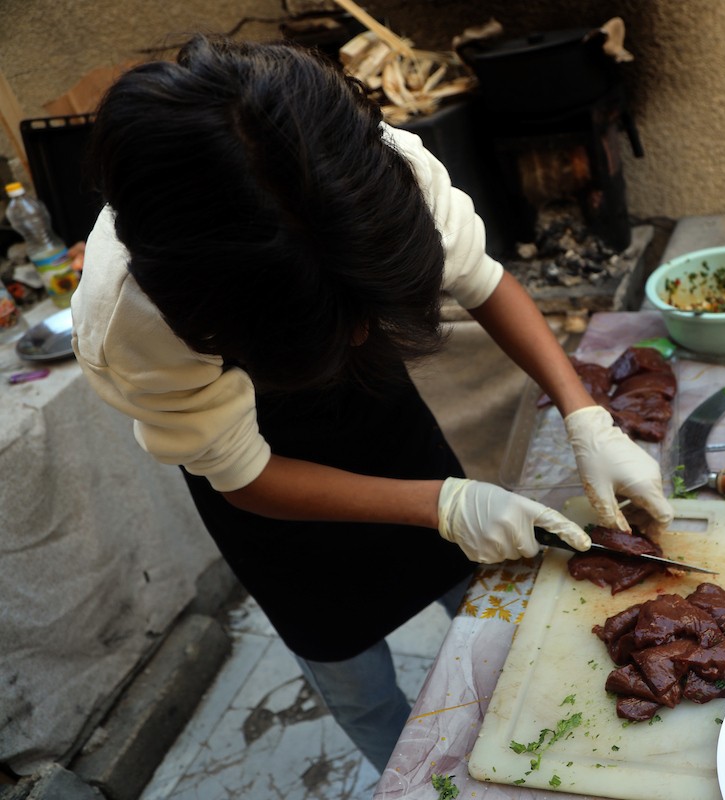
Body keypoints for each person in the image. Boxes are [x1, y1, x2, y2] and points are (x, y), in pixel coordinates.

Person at [71, 34, 673, 772]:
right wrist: (444, 504)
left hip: (384, 421)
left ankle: (522, 733)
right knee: (355, 682)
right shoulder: (131, 318)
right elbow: (243, 472)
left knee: (485, 613)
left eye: (366, 315)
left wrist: (586, 415)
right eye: (340, 324)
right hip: (271, 502)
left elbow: (481, 281)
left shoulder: (371, 171)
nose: (362, 330)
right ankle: (413, 780)